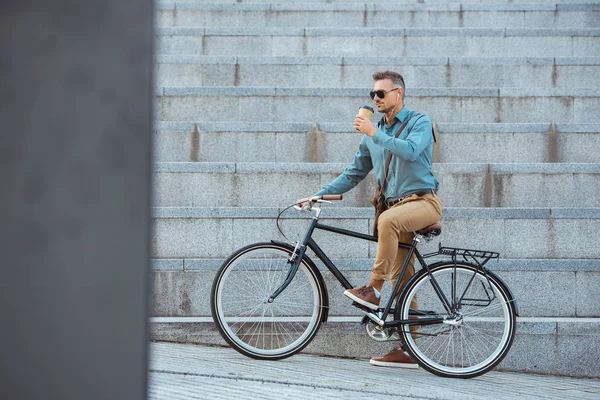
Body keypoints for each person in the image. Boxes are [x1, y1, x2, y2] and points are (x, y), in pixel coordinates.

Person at [297, 71, 442, 368]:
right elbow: (353, 173)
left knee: (388, 221)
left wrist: (374, 133)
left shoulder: (419, 122)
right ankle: (408, 348)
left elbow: (412, 152)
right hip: (395, 209)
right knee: (401, 281)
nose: (375, 99)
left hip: (422, 203)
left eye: (381, 93)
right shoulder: (373, 134)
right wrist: (318, 195)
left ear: (398, 93)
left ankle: (373, 290)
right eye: (372, 94)